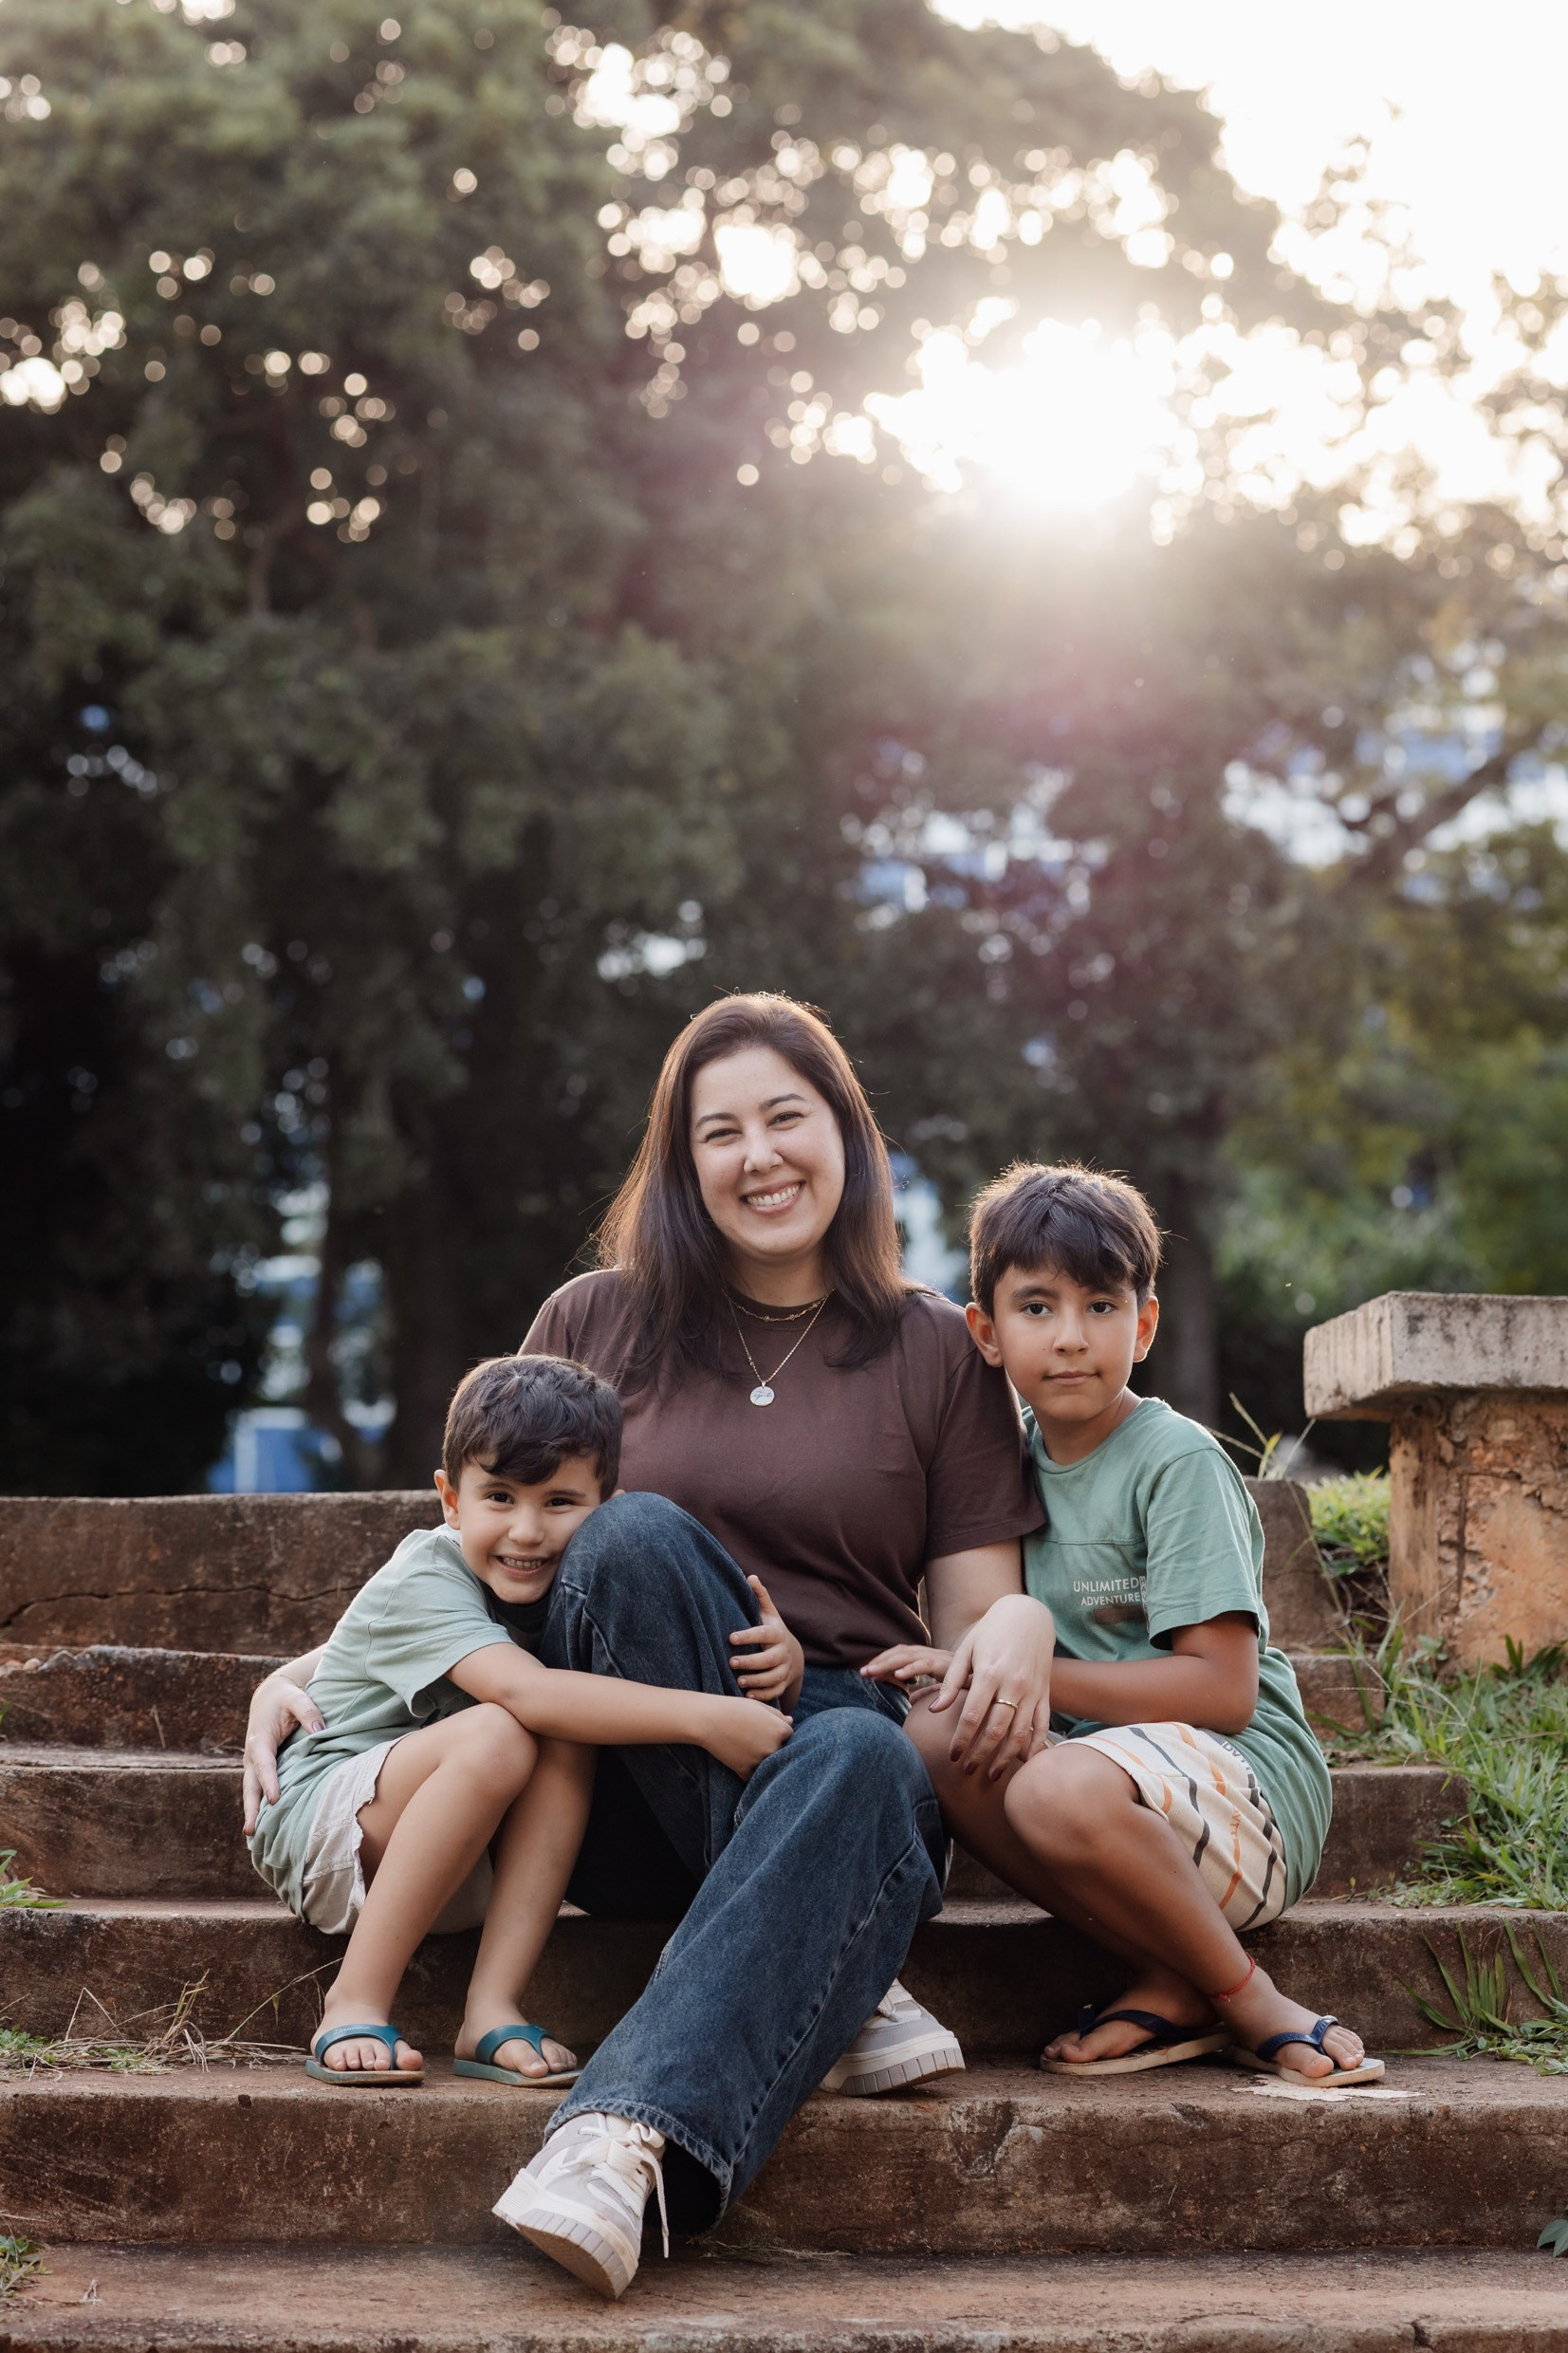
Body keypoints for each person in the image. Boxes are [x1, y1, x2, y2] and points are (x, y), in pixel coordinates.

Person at [244, 992, 1053, 2300]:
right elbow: (487, 1533)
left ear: (846, 1134)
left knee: (855, 1748)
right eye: (716, 1132)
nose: (758, 1156)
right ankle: (836, 1951)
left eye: (786, 1117)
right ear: (679, 1166)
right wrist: (310, 1673)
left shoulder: (930, 1348)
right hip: (612, 1767)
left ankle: (615, 2143)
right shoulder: (594, 1319)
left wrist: (1020, 1622)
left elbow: (965, 1640)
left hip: (850, 1744)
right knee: (624, 1543)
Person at [865, 1162, 1384, 2088]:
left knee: (1053, 1785)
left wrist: (1031, 1676)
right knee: (940, 1737)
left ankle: (1247, 1996)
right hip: (1112, 1796)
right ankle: (1178, 1974)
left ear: (1143, 1325)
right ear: (984, 1331)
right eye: (1036, 1307)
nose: (1071, 1338)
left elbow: (1222, 1689)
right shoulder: (1002, 1467)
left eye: (1101, 1306)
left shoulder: (1172, 1457)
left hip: (1249, 1792)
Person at [248, 1352, 793, 2088]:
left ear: (606, 1505)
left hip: (459, 1853)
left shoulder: (568, 1595)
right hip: (330, 1830)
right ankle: (353, 1998)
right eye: (499, 1498)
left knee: (571, 1724)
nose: (527, 1532)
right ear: (450, 1499)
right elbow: (526, 1694)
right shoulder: (424, 1575)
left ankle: (490, 2010)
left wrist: (782, 1657)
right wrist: (708, 1719)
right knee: (513, 1721)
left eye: (559, 1503)